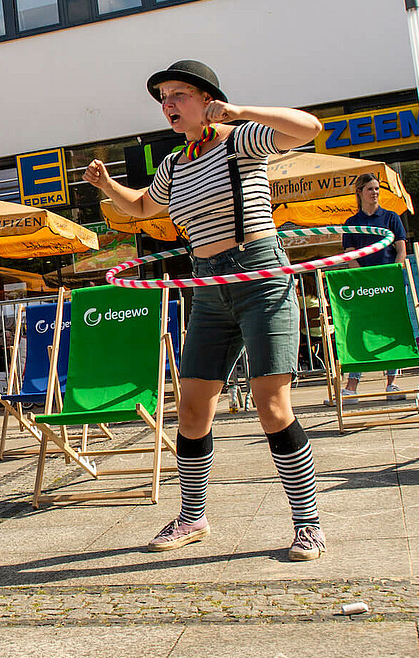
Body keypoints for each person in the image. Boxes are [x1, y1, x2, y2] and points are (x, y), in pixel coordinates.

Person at [84, 59, 327, 562]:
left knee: (271, 405)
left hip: (260, 277)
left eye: (178, 94)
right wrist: (108, 187)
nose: (168, 104)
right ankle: (192, 518)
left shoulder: (241, 139)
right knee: (192, 410)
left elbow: (309, 129)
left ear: (206, 98)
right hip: (208, 287)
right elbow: (145, 208)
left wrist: (238, 112)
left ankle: (308, 525)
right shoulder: (175, 163)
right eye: (163, 97)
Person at [340, 172, 411, 403]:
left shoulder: (391, 218)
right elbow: (350, 256)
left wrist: (393, 273)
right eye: (370, 188)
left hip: (389, 281)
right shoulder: (352, 224)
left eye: (377, 188)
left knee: (391, 329)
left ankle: (392, 382)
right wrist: (366, 277)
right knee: (358, 330)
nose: (375, 192)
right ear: (360, 192)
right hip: (364, 284)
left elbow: (401, 250)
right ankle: (352, 385)